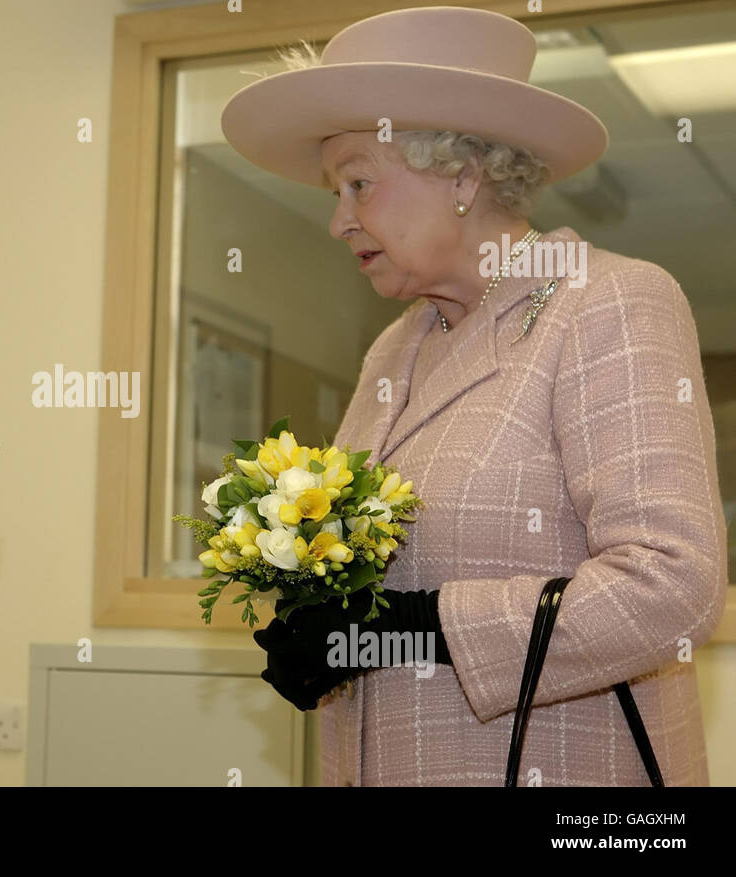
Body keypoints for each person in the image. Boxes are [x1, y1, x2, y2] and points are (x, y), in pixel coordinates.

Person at [222, 7, 727, 785]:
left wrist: (417, 628)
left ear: (462, 175)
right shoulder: (394, 347)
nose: (336, 220)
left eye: (358, 182)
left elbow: (673, 588)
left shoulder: (608, 302)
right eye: (335, 191)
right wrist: (325, 628)